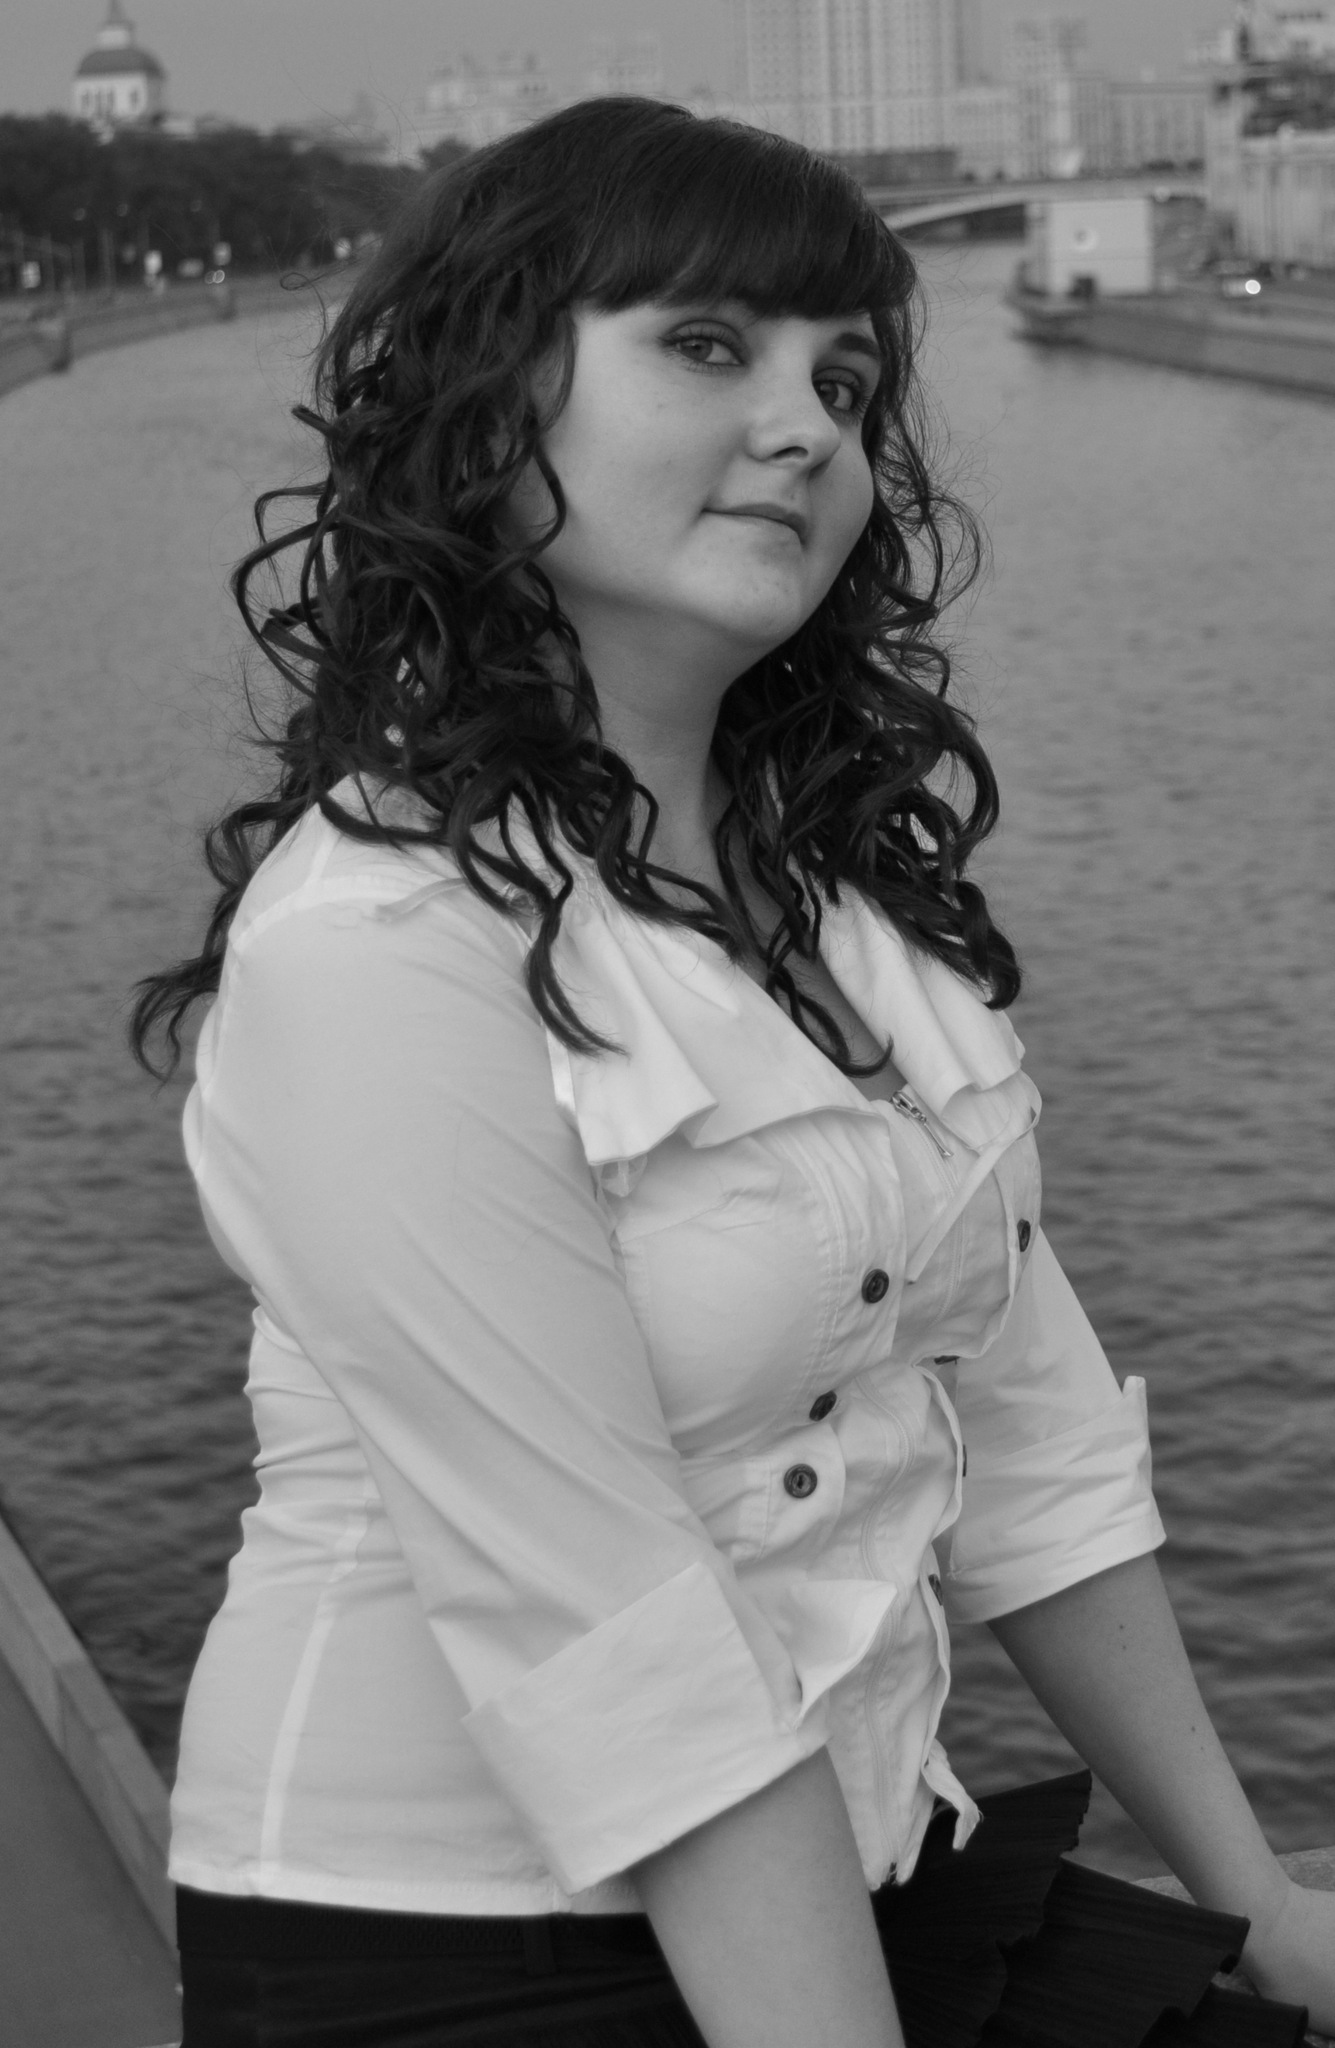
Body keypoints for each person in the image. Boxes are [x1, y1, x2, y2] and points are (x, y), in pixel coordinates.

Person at [132, 99, 1334, 2048]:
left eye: (843, 382)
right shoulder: (381, 943)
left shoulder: (848, 915)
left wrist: (1256, 1900)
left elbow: (1029, 1449)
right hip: (460, 1949)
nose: (806, 429)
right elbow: (616, 1641)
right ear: (488, 401)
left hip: (847, 1869)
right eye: (706, 345)